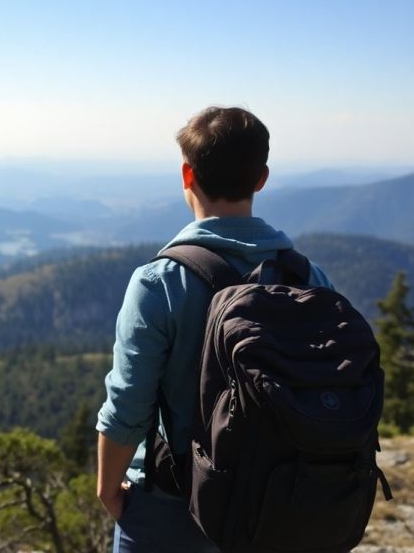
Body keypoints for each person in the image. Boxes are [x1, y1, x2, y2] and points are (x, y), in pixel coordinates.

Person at [94, 106, 334, 553]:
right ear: (261, 178)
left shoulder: (160, 282)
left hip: (173, 503)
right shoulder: (310, 279)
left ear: (187, 175)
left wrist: (109, 488)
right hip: (284, 502)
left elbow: (128, 404)